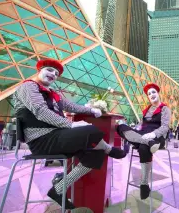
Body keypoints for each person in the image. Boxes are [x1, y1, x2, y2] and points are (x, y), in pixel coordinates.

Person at [13, 59, 126, 210]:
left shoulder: (53, 94)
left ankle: (58, 189)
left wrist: (91, 110)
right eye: (49, 70)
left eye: (56, 73)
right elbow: (40, 111)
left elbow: (70, 106)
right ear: (39, 70)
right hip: (41, 140)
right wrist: (70, 124)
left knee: (95, 154)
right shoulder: (28, 87)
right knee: (91, 130)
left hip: (56, 136)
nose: (53, 74)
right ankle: (109, 149)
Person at [117, 83, 171, 200]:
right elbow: (140, 126)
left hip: (158, 137)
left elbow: (165, 127)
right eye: (149, 94)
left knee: (142, 148)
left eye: (153, 92)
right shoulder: (146, 111)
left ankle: (144, 184)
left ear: (158, 93)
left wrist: (153, 134)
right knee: (120, 127)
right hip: (145, 136)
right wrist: (134, 131)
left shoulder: (165, 108)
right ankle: (148, 143)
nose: (151, 95)